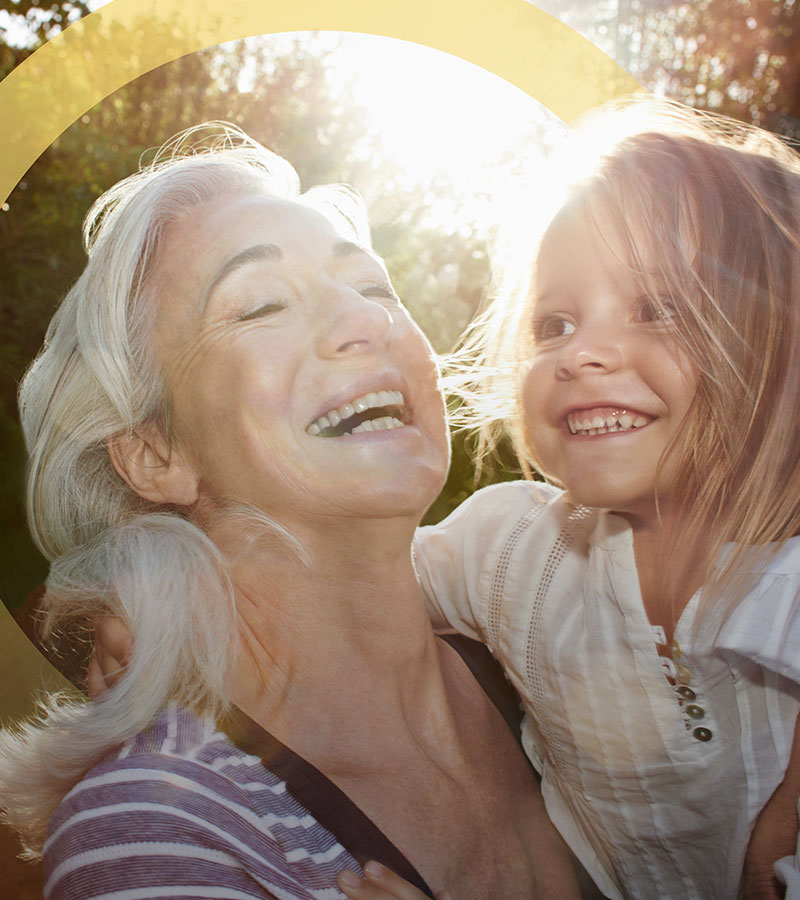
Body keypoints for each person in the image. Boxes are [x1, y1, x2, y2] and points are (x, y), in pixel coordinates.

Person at [0, 126, 589, 899]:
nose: (366, 320)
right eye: (262, 304)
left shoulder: (563, 649)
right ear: (155, 452)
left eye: (374, 287)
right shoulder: (154, 827)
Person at [404, 100, 800, 899]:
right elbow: (335, 592)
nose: (581, 353)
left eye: (658, 309)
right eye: (555, 322)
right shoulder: (513, 548)